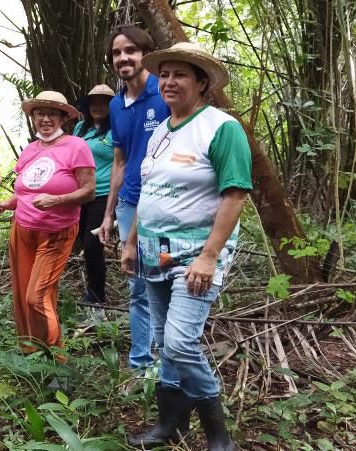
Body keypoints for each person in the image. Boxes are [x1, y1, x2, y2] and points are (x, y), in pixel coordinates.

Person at [122, 42, 250, 450]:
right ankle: (168, 427)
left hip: (196, 252)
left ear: (202, 82)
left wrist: (209, 256)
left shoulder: (220, 127)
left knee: (179, 341)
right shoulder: (161, 132)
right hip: (152, 249)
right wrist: (130, 240)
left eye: (181, 74)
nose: (170, 82)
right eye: (167, 74)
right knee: (163, 341)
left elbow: (235, 195)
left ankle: (219, 437)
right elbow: (149, 191)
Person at [0, 91, 94, 362]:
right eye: (40, 113)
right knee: (22, 294)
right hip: (23, 230)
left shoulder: (76, 146)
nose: (46, 119)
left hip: (56, 233)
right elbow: (26, 191)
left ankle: (56, 361)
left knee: (35, 298)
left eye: (52, 113)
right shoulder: (30, 150)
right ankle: (32, 353)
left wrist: (57, 200)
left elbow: (89, 192)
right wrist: (8, 203)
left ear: (63, 117)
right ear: (33, 117)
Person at [94, 25, 170, 374]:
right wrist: (109, 214)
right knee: (137, 285)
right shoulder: (114, 103)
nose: (123, 58)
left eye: (130, 51)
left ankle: (169, 359)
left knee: (162, 280)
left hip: (164, 208)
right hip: (128, 205)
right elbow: (120, 162)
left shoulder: (165, 91)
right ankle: (142, 363)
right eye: (116, 53)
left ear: (145, 55)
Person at [72, 84, 115, 319]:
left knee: (92, 243)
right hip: (80, 194)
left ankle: (97, 297)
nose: (98, 107)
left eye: (104, 102)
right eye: (94, 102)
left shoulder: (117, 129)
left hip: (104, 195)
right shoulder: (80, 128)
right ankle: (91, 290)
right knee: (81, 242)